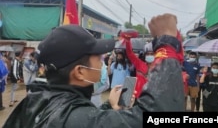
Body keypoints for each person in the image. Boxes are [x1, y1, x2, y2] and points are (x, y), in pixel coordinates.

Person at [3, 13, 185, 128]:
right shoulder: (72, 119)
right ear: (80, 72)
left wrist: (108, 106)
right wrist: (167, 43)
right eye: (98, 58)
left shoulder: (39, 98)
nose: (102, 62)